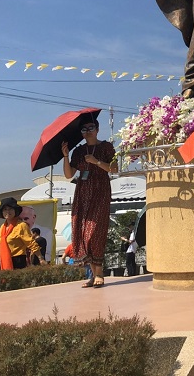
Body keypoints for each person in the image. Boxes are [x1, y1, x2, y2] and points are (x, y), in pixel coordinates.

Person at [61, 117, 116, 289]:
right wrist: (65, 156)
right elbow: (69, 175)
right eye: (84, 129)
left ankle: (99, 274)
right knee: (82, 232)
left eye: (91, 127)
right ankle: (94, 275)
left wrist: (96, 162)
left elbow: (114, 169)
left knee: (95, 231)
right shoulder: (78, 152)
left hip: (100, 190)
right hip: (83, 191)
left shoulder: (106, 147)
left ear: (97, 129)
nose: (87, 131)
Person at [0, 198, 45, 270]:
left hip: (18, 260)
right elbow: (0, 245)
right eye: (5, 209)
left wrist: (40, 258)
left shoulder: (21, 225)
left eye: (10, 209)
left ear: (15, 211)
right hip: (5, 259)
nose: (8, 211)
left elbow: (30, 242)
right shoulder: (3, 227)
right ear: (2, 212)